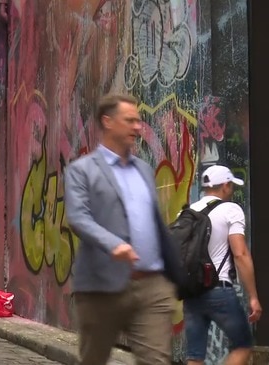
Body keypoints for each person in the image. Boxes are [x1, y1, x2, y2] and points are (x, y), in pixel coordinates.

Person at [64, 93, 183, 365]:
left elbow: (152, 220)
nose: (138, 127)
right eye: (130, 121)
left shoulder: (144, 169)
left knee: (157, 361)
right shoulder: (81, 170)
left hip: (152, 285)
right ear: (107, 122)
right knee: (94, 359)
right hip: (101, 288)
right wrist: (112, 244)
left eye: (139, 121)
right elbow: (78, 217)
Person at [184, 165, 261, 365]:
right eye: (231, 186)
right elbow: (240, 253)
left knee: (194, 356)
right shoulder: (231, 210)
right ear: (225, 186)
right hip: (219, 290)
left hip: (191, 292)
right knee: (243, 345)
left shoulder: (187, 212)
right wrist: (253, 296)